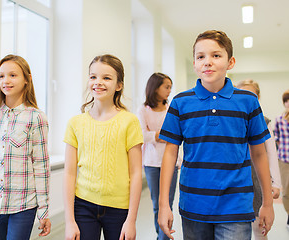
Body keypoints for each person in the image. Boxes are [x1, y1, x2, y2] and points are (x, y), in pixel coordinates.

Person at [157, 30, 274, 240]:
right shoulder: (180, 102)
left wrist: (267, 202)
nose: (207, 62)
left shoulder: (248, 101)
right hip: (194, 204)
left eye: (216, 55)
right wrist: (164, 205)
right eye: (201, 56)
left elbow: (259, 154)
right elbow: (170, 154)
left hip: (236, 206)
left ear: (231, 62)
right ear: (194, 64)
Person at [63, 54, 143, 240]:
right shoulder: (75, 123)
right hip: (83, 206)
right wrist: (69, 221)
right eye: (93, 77)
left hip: (120, 210)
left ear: (119, 85)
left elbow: (136, 173)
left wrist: (131, 220)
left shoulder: (129, 121)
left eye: (106, 78)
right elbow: (69, 173)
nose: (98, 82)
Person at [0, 54, 51, 239]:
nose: (5, 81)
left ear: (27, 79)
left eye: (12, 75)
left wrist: (44, 210)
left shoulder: (36, 117)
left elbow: (41, 167)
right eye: (1, 76)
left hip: (23, 203)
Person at [237, 79, 282, 240]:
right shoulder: (232, 119)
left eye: (252, 95)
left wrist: (275, 183)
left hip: (257, 178)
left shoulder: (264, 122)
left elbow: (270, 153)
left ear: (258, 98)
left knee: (259, 227)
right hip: (237, 179)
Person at [137, 72, 179, 240]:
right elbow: (141, 135)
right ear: (155, 88)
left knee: (167, 203)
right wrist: (160, 135)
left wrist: (155, 135)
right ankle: (161, 235)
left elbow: (176, 134)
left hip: (173, 163)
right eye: (166, 87)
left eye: (170, 87)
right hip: (152, 163)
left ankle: (163, 237)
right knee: (157, 204)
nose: (169, 90)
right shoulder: (143, 110)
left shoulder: (172, 109)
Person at [274, 89, 289, 230]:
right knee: (286, 191)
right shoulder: (279, 120)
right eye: (287, 101)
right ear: (285, 103)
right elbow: (276, 138)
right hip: (284, 159)